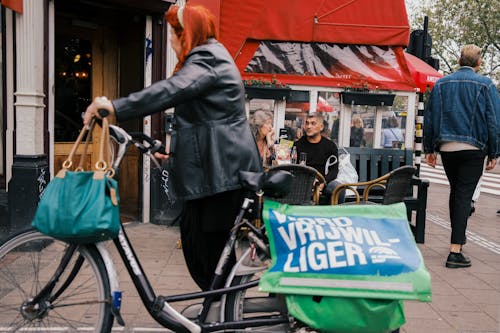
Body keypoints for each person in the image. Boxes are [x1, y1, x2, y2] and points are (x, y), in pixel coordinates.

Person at [83, 4, 262, 290]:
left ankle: (222, 311)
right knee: (201, 249)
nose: (171, 41)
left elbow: (171, 90)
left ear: (187, 33)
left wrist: (115, 106)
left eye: (173, 34)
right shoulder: (208, 59)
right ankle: (217, 307)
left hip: (222, 174)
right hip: (214, 173)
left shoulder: (207, 57)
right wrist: (169, 151)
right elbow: (200, 120)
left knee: (209, 253)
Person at [424, 44, 500, 269]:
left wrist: (430, 148)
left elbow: (430, 117)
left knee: (456, 192)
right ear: (479, 63)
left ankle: (459, 238)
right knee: (464, 195)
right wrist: (494, 151)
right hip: (474, 147)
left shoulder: (441, 84)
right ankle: (455, 250)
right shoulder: (486, 85)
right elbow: (494, 121)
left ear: (459, 60)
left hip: (447, 146)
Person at [293, 113, 341, 202]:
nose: (308, 126)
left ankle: (335, 215)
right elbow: (293, 167)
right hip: (302, 182)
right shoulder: (298, 145)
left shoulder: (330, 146)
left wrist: (322, 183)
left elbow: (334, 170)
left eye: (313, 123)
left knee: (338, 189)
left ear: (321, 127)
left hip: (323, 182)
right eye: (307, 123)